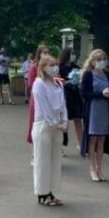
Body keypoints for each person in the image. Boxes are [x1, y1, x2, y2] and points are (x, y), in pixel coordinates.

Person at [32, 55, 67, 206]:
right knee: (42, 161)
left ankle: (51, 191)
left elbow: (63, 104)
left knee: (54, 161)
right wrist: (55, 123)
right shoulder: (39, 84)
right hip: (44, 125)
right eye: (51, 65)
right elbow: (44, 107)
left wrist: (64, 120)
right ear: (43, 67)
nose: (54, 68)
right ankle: (42, 193)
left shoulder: (57, 84)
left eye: (56, 65)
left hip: (57, 126)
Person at [80, 49, 109, 182]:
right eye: (99, 59)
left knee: (102, 139)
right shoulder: (88, 75)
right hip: (93, 109)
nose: (102, 62)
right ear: (93, 61)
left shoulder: (108, 74)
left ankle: (99, 168)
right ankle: (92, 168)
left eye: (104, 59)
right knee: (93, 138)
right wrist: (101, 94)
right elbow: (84, 93)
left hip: (104, 110)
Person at [58, 46, 84, 150]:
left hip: (76, 96)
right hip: (65, 95)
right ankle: (61, 146)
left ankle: (81, 144)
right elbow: (59, 82)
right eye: (72, 53)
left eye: (74, 53)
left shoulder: (76, 67)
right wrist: (67, 82)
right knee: (64, 120)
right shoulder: (60, 68)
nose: (73, 55)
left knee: (78, 120)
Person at [26, 44, 50, 145]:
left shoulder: (49, 67)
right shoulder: (34, 67)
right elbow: (30, 84)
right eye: (44, 53)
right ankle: (34, 147)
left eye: (48, 53)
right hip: (36, 99)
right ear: (39, 54)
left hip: (48, 98)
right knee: (35, 122)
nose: (47, 55)